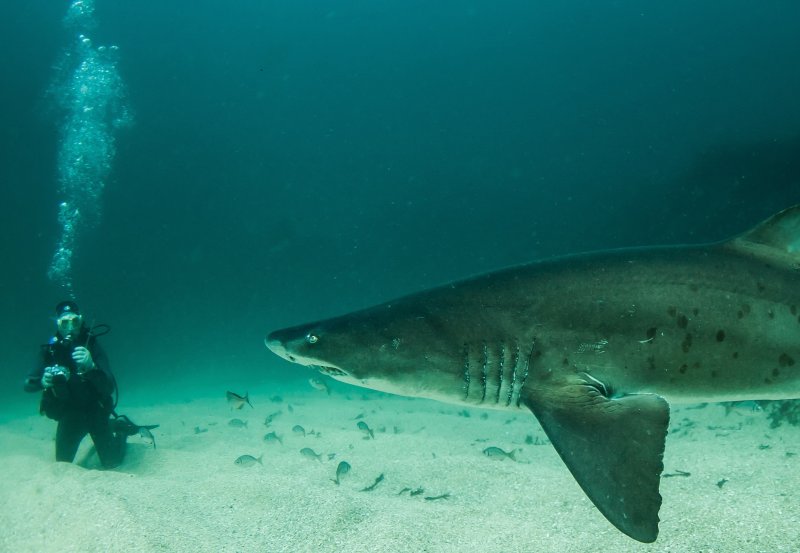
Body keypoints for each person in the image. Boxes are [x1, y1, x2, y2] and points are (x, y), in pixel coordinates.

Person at [24, 300, 139, 468]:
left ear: (81, 321)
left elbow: (109, 387)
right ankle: (111, 425)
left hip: (96, 411)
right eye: (64, 322)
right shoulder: (49, 351)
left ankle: (119, 430)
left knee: (112, 462)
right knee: (62, 464)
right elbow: (28, 384)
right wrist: (42, 382)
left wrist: (92, 367)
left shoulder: (92, 345)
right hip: (70, 415)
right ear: (58, 324)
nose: (70, 327)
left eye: (75, 322)